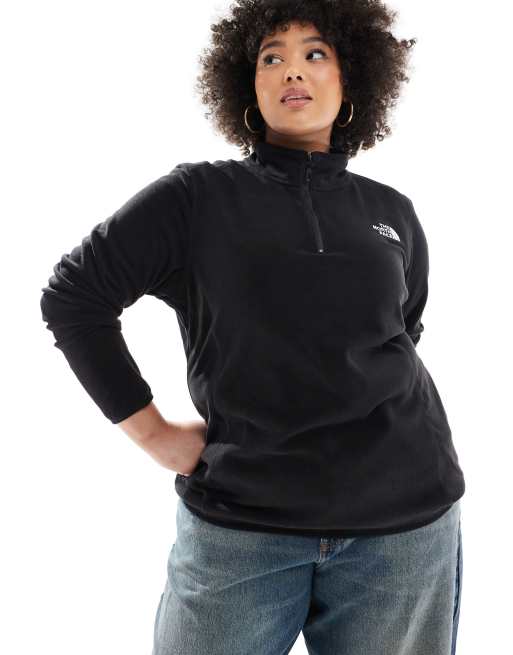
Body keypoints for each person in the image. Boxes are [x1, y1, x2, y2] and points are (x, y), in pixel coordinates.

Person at [40, 1, 466, 653]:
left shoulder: (392, 212)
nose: (292, 70)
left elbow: (402, 333)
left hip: (404, 528)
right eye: (272, 57)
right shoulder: (195, 198)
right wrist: (153, 434)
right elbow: (75, 297)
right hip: (242, 526)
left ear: (351, 78)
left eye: (315, 53)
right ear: (248, 85)